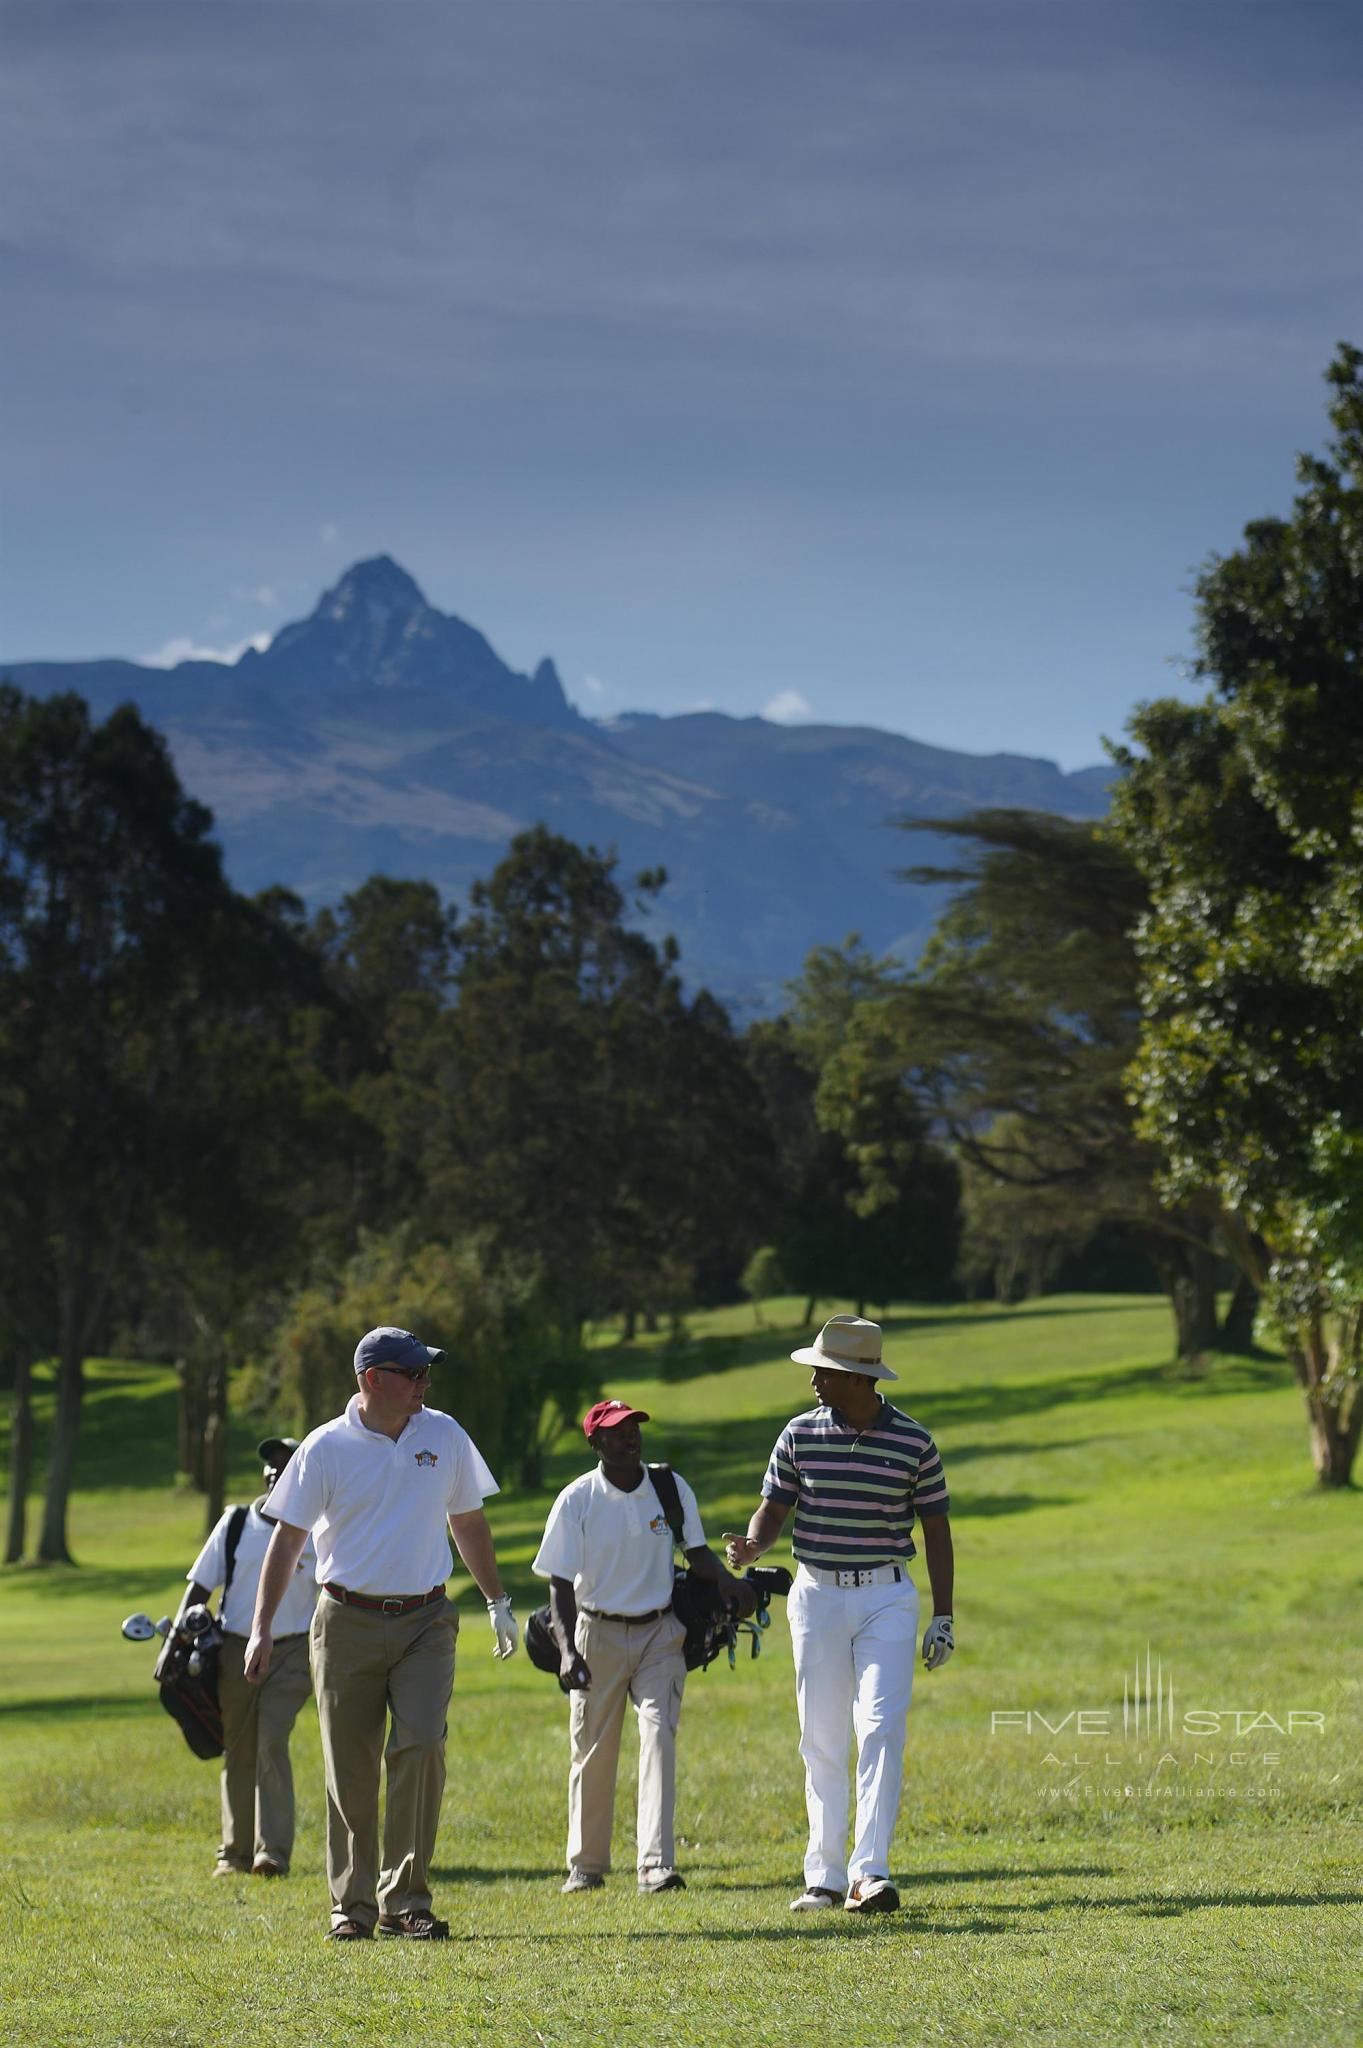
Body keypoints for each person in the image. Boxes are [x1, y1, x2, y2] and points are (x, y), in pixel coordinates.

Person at [244, 1325, 520, 1942]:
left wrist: (496, 1599)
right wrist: (261, 1629)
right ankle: (353, 1908)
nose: (425, 1382)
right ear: (372, 1380)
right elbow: (286, 1541)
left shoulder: (444, 1433)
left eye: (427, 1372)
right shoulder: (324, 1448)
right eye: (413, 1373)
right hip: (345, 1622)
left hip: (427, 1618)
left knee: (421, 1745)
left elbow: (468, 1520)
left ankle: (406, 1900)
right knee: (351, 1767)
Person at [725, 1315, 954, 1916]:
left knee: (879, 1727)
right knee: (820, 1736)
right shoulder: (799, 1434)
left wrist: (944, 1615)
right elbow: (773, 1509)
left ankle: (868, 1874)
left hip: (887, 1597)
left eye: (824, 1373)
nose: (814, 1382)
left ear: (858, 1378)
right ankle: (823, 1878)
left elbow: (936, 1531)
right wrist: (753, 1546)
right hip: (818, 1595)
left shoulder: (914, 1442)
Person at [533, 1398, 754, 1896]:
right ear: (595, 1442)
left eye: (634, 1427)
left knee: (659, 1738)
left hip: (660, 1632)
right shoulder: (577, 1499)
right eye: (615, 1431)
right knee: (592, 1751)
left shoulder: (670, 1488)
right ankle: (586, 1867)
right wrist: (568, 1651)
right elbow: (560, 1585)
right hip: (597, 1633)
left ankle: (656, 1865)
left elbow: (696, 1553)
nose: (629, 1437)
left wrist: (729, 1586)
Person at [182, 1435, 318, 1879]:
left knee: (271, 1741)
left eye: (287, 1464)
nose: (277, 1471)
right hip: (237, 1648)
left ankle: (272, 1852)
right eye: (271, 1466)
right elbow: (201, 1587)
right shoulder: (236, 1523)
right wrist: (183, 1633)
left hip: (295, 1649)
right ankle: (234, 1854)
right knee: (237, 1747)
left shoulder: (320, 1528)